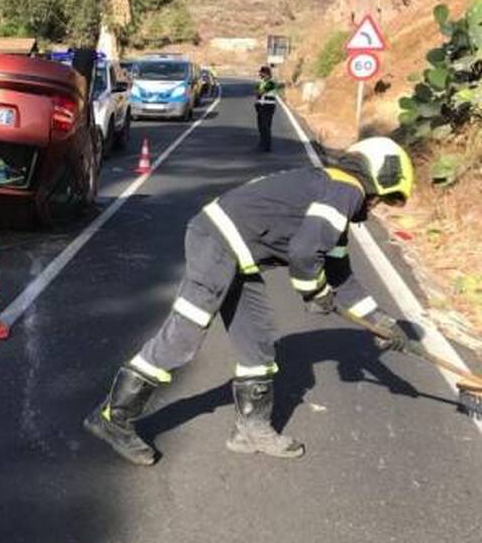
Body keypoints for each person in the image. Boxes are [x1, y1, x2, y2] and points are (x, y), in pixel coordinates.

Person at [83, 137, 415, 465]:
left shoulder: (333, 194)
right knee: (183, 337)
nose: (375, 206)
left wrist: (380, 321)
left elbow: (340, 274)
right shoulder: (346, 191)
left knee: (257, 345)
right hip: (216, 244)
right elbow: (304, 252)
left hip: (237, 256)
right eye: (381, 199)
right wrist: (314, 291)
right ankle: (113, 418)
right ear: (378, 177)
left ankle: (251, 431)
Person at [254, 65, 281, 152]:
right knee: (260, 126)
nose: (260, 74)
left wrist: (259, 92)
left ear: (266, 73)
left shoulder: (271, 83)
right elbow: (256, 91)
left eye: (261, 73)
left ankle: (267, 146)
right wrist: (258, 92)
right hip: (260, 106)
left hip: (268, 106)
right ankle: (262, 143)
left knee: (266, 126)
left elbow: (261, 92)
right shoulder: (261, 82)